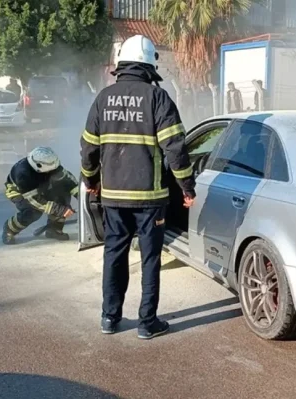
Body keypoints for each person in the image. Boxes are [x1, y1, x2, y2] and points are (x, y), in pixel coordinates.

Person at [80, 34, 196, 340]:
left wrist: (90, 181)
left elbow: (88, 148)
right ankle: (147, 323)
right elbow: (176, 149)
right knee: (149, 260)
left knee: (113, 255)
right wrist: (187, 187)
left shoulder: (103, 98)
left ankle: (109, 317)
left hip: (114, 199)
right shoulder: (158, 98)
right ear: (149, 66)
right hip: (150, 200)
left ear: (122, 64)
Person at [3, 146, 77, 245]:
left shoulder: (50, 166)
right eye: (51, 170)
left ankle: (54, 230)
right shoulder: (23, 174)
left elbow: (69, 181)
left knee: (61, 193)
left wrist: (83, 196)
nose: (55, 171)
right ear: (38, 166)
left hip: (40, 187)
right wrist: (61, 210)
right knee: (33, 212)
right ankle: (9, 229)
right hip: (20, 192)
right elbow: (34, 201)